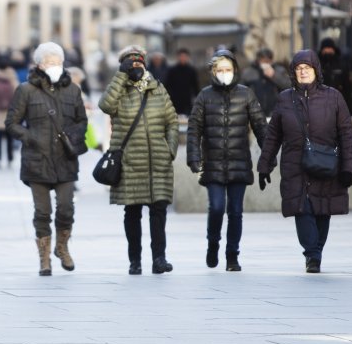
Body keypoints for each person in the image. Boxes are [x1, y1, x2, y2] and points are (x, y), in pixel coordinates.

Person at [256, 49, 352, 273]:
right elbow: (273, 136)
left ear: (316, 70)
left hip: (327, 164)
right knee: (302, 209)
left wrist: (349, 167)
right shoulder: (284, 99)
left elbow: (346, 134)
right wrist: (264, 166)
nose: (302, 72)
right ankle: (312, 254)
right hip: (295, 165)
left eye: (307, 68)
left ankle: (316, 250)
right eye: (298, 69)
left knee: (323, 210)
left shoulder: (333, 97)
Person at [5, 42, 88, 276]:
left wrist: (74, 135)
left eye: (58, 63)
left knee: (66, 208)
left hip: (65, 159)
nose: (55, 67)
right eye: (50, 63)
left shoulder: (73, 89)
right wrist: (30, 137)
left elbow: (82, 120)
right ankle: (44, 258)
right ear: (39, 65)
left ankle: (62, 247)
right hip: (37, 160)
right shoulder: (26, 90)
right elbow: (11, 123)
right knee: (42, 212)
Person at [99, 45, 178, 275]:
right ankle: (135, 261)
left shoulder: (157, 88)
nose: (136, 65)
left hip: (158, 162)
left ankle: (159, 259)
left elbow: (172, 121)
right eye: (129, 62)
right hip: (130, 163)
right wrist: (121, 76)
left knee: (158, 211)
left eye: (139, 61)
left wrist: (169, 149)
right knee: (132, 212)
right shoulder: (118, 90)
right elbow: (105, 105)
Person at [186, 49, 267, 271]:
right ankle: (213, 244)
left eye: (228, 69)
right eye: (220, 70)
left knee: (235, 211)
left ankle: (232, 255)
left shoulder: (246, 94)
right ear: (213, 72)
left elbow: (261, 126)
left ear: (235, 70)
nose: (224, 73)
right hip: (212, 163)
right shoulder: (204, 96)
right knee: (216, 207)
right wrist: (193, 157)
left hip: (239, 162)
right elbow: (194, 129)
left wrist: (267, 158)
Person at [241, 47, 291, 115]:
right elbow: (242, 92)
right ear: (258, 60)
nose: (265, 64)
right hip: (255, 112)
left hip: (276, 111)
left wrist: (274, 76)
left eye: (267, 61)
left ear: (271, 60)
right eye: (263, 61)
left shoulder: (279, 70)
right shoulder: (248, 72)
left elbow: (288, 85)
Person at [163, 48, 200, 116]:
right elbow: (167, 85)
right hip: (174, 100)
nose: (183, 58)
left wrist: (197, 98)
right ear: (178, 57)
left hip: (187, 100)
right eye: (181, 56)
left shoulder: (191, 70)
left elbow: (195, 86)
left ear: (188, 57)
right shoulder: (172, 70)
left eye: (184, 56)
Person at [318, 38, 352, 106]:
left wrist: (348, 105)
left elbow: (347, 87)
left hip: (338, 102)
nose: (327, 51)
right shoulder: (317, 64)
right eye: (325, 48)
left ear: (333, 49)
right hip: (321, 102)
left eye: (329, 48)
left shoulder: (341, 65)